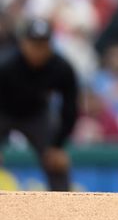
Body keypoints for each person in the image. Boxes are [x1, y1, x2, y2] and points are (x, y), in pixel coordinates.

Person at [0, 17, 79, 191]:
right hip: (3, 112)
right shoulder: (6, 65)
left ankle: (64, 209)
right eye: (34, 44)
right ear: (23, 44)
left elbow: (70, 108)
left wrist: (58, 145)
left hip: (37, 114)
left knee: (56, 162)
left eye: (43, 45)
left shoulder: (61, 68)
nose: (38, 50)